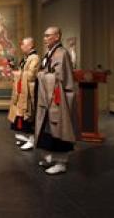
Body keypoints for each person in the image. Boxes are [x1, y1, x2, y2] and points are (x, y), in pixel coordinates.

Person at [36, 26, 78, 175]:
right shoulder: (51, 52)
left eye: (48, 36)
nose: (45, 38)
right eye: (45, 35)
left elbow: (58, 78)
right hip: (50, 98)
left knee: (60, 129)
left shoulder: (62, 53)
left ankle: (61, 162)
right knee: (49, 128)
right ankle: (52, 158)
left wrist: (41, 75)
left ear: (57, 37)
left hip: (59, 99)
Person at [7, 37, 40, 151]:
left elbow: (30, 76)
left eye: (23, 44)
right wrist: (13, 68)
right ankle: (25, 137)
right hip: (22, 90)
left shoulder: (34, 58)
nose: (21, 46)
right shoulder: (26, 58)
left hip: (29, 92)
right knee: (20, 113)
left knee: (28, 114)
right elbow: (22, 72)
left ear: (30, 46)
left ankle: (31, 139)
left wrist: (17, 73)